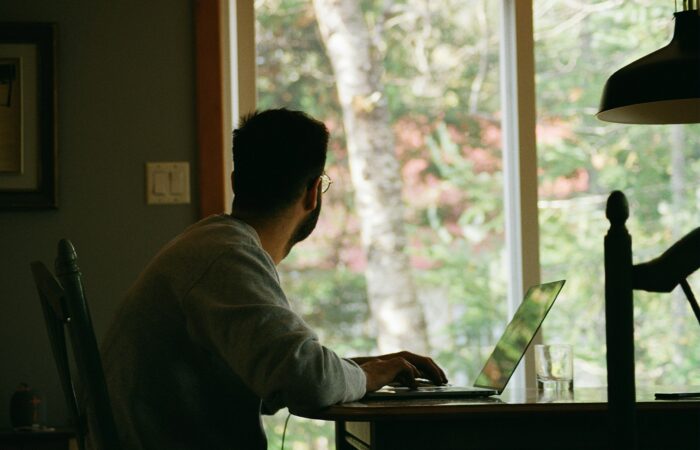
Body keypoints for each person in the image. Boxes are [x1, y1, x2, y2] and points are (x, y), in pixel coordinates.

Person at [100, 108, 447, 450]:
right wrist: (368, 376)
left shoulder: (211, 245)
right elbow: (307, 383)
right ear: (313, 193)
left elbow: (277, 371)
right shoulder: (227, 257)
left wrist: (361, 369)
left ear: (236, 183)